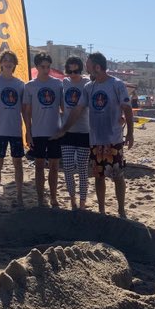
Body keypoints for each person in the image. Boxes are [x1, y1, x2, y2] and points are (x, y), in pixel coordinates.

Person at [53, 51, 134, 218]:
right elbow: (77, 110)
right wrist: (64, 129)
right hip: (95, 139)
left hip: (114, 139)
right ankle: (102, 210)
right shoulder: (89, 87)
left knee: (117, 176)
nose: (87, 70)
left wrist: (131, 133)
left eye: (88, 67)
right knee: (99, 176)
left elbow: (127, 108)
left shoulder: (117, 84)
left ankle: (121, 210)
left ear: (97, 67)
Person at [0, 50, 31, 211]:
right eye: (5, 60)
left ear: (15, 64)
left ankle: (19, 196)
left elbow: (24, 110)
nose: (8, 63)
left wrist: (27, 130)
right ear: (1, 63)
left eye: (11, 60)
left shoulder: (20, 84)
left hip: (15, 131)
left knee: (18, 163)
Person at [24, 52, 64, 207]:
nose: (46, 70)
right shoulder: (30, 86)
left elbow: (63, 107)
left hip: (55, 132)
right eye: (43, 67)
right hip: (38, 132)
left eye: (48, 67)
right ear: (37, 67)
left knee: (54, 167)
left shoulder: (58, 84)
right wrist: (28, 132)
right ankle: (41, 198)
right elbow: (27, 112)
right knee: (39, 166)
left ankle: (53, 197)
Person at [59, 56, 90, 210]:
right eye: (70, 71)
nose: (73, 74)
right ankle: (72, 200)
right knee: (68, 168)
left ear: (80, 69)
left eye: (76, 70)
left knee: (83, 169)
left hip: (84, 130)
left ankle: (83, 203)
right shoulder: (64, 83)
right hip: (67, 131)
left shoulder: (87, 83)